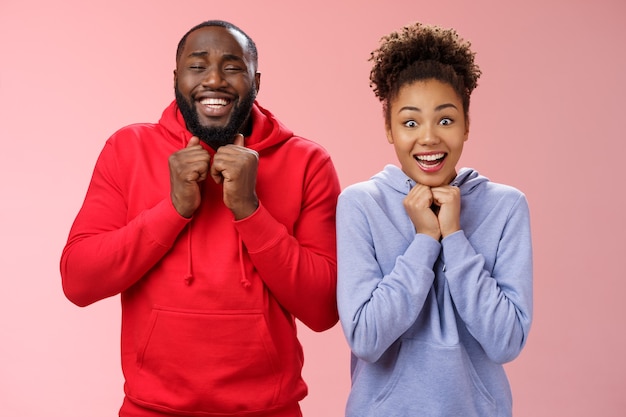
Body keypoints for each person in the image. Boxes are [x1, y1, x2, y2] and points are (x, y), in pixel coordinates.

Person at [60, 20, 340, 417]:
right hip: (150, 410)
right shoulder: (127, 149)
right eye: (197, 66)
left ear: (256, 80)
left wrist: (250, 210)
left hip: (269, 410)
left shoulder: (308, 161)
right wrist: (172, 209)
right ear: (175, 78)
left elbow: (324, 308)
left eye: (232, 67)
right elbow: (78, 281)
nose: (214, 80)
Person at [336, 22, 533, 416]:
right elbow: (366, 338)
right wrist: (425, 241)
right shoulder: (360, 204)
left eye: (445, 120)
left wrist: (454, 237)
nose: (428, 138)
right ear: (389, 129)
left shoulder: (506, 206)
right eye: (410, 122)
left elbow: (506, 341)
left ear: (467, 125)